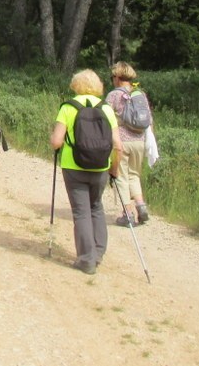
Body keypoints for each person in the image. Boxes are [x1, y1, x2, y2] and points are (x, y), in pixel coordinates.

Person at [50, 68, 122, 275]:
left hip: (73, 166)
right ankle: (98, 253)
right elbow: (118, 145)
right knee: (96, 207)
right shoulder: (106, 109)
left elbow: (56, 142)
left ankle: (86, 259)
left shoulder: (68, 107)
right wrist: (113, 170)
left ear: (76, 85)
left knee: (81, 212)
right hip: (101, 166)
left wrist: (56, 143)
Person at [106, 61, 151, 226]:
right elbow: (149, 120)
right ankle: (141, 206)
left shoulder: (113, 95)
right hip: (139, 141)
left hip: (121, 142)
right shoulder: (139, 94)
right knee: (134, 175)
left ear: (117, 77)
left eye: (113, 76)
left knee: (120, 176)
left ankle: (128, 214)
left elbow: (106, 118)